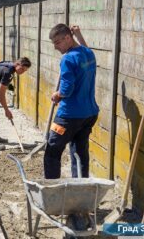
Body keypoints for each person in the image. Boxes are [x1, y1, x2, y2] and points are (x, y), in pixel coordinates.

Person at [44, 24, 99, 180]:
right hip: (89, 114)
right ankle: (80, 189)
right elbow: (84, 49)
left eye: (57, 42)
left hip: (68, 117)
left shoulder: (68, 59)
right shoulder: (88, 53)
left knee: (52, 151)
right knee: (80, 153)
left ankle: (51, 188)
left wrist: (57, 95)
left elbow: (67, 89)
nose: (55, 47)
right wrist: (79, 36)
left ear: (68, 38)